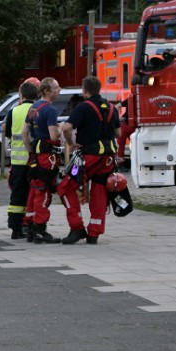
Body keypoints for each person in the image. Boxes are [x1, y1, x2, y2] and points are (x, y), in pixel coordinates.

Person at [58, 76, 121, 244]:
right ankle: (94, 233)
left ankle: (77, 227)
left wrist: (71, 143)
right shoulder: (112, 108)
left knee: (65, 188)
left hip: (87, 158)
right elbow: (118, 134)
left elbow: (67, 127)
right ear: (99, 89)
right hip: (107, 158)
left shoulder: (83, 107)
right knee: (99, 192)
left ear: (85, 90)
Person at [22, 77, 63, 244]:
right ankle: (40, 228)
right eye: (56, 87)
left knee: (34, 189)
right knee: (43, 191)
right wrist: (62, 127)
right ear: (47, 90)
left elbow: (25, 133)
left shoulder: (33, 107)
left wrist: (31, 150)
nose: (59, 90)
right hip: (47, 156)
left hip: (36, 155)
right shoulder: (50, 110)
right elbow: (54, 135)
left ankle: (31, 226)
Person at [4, 80, 40, 239]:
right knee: (34, 193)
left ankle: (15, 228)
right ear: (36, 95)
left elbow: (8, 134)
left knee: (17, 195)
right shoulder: (38, 111)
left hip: (17, 162)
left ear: (22, 95)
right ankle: (31, 225)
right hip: (34, 160)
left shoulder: (13, 111)